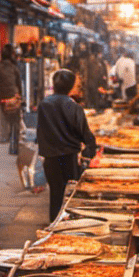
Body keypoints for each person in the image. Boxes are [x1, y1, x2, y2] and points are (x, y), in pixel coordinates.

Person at [37, 68, 97, 220]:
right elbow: (85, 134)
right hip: (69, 159)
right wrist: (90, 150)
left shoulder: (44, 104)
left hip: (50, 158)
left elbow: (40, 131)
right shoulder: (74, 107)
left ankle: (53, 226)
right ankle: (66, 228)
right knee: (70, 198)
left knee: (55, 195)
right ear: (70, 86)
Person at [0, 44, 23, 155]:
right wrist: (20, 96)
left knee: (4, 119)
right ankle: (14, 147)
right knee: (15, 122)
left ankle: (3, 138)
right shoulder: (14, 67)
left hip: (2, 97)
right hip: (13, 97)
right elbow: (19, 83)